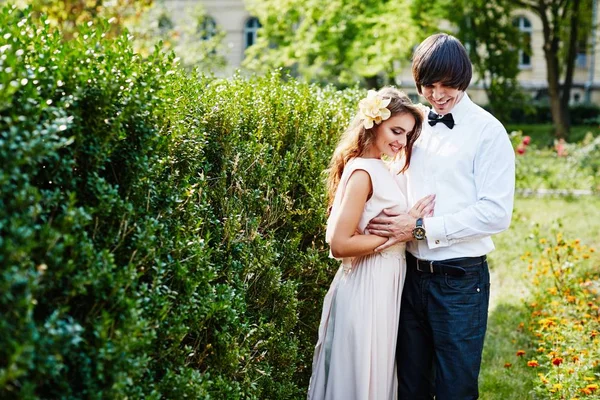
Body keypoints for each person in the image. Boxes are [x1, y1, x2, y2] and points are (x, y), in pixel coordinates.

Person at [366, 34, 515, 399]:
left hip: (460, 282)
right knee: (410, 386)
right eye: (428, 85)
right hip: (410, 278)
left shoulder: (488, 133)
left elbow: (496, 213)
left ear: (463, 79)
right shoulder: (414, 126)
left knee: (455, 389)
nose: (437, 93)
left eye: (447, 84)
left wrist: (420, 229)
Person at [307, 87, 435, 400]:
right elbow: (338, 243)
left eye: (406, 135)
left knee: (378, 376)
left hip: (387, 285)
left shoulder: (384, 168)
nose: (401, 142)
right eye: (395, 131)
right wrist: (396, 234)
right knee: (361, 376)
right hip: (367, 286)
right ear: (373, 123)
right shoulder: (363, 171)